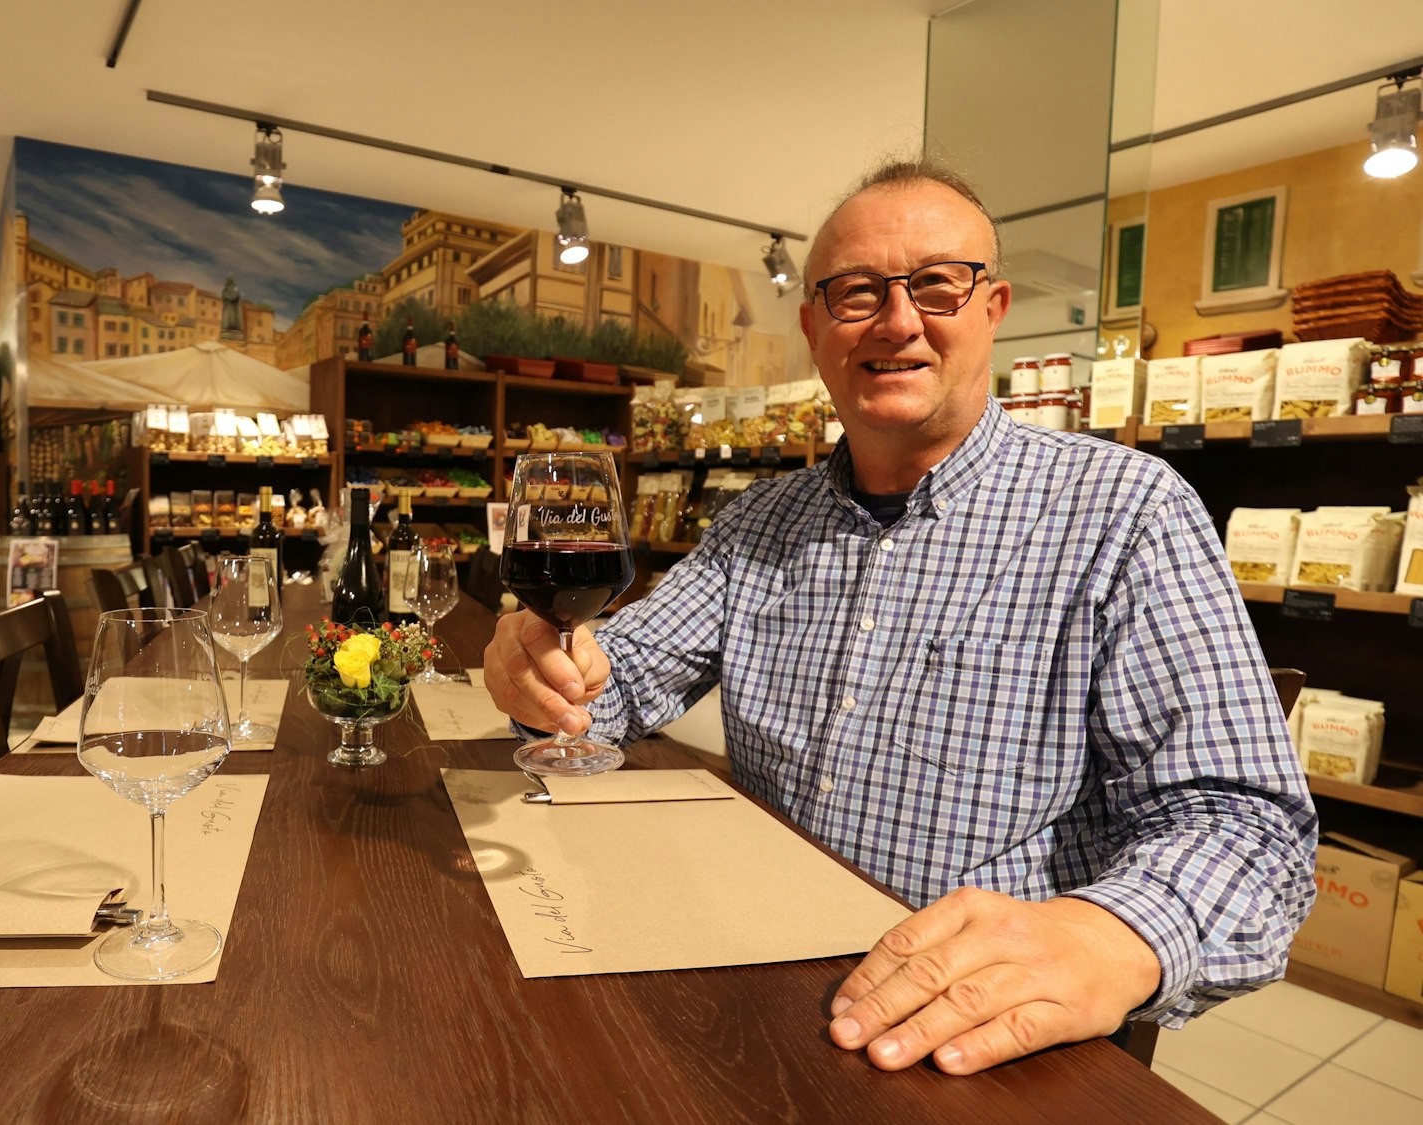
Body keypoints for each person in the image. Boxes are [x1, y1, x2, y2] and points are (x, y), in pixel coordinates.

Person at [483, 158, 1317, 1076]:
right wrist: (545, 671)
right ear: (812, 328)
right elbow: (620, 677)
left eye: (936, 284)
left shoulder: (1124, 511)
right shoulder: (763, 519)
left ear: (992, 308)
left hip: (960, 1041)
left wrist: (1113, 937)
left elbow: (1247, 821)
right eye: (856, 293)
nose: (898, 320)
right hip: (748, 983)